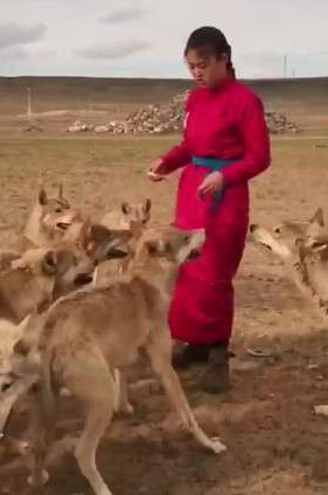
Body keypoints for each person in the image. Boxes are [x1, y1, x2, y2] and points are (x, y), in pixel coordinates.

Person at [147, 26, 271, 393]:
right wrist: (166, 163)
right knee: (186, 271)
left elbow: (260, 157)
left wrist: (225, 176)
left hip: (224, 199)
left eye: (202, 65)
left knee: (214, 276)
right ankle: (195, 343)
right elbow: (190, 145)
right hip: (192, 193)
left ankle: (218, 351)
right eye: (190, 67)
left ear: (223, 59)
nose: (196, 73)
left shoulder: (245, 101)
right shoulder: (194, 100)